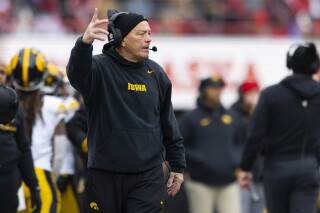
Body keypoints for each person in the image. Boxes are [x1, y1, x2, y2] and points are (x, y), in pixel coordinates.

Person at [66, 8, 186, 213]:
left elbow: (168, 123)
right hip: (104, 174)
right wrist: (83, 44)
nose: (148, 39)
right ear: (121, 39)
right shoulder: (98, 68)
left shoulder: (156, 74)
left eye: (149, 33)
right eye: (141, 34)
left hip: (148, 176)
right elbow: (76, 75)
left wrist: (177, 165)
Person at [238, 42, 320, 213]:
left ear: (289, 63)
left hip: (277, 168)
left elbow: (255, 135)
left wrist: (245, 167)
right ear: (315, 65)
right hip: (309, 168)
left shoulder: (271, 94)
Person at [11, 47, 66, 213]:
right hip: (42, 176)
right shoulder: (54, 105)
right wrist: (53, 175)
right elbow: (60, 152)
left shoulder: (7, 103)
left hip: (13, 177)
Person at [179, 75, 241, 213]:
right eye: (212, 88)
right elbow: (178, 146)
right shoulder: (191, 118)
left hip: (228, 181)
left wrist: (236, 159)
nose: (217, 91)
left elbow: (241, 142)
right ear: (203, 91)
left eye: (219, 88)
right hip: (200, 181)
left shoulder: (231, 116)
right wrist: (199, 158)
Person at [0, 59, 41, 213]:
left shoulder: (15, 107)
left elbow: (24, 148)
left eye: (2, 72)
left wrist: (33, 185)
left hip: (9, 179)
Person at [229, 80, 265, 213]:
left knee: (259, 207)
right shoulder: (233, 114)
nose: (253, 97)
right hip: (241, 171)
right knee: (241, 207)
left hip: (259, 171)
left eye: (256, 93)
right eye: (249, 94)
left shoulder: (262, 111)